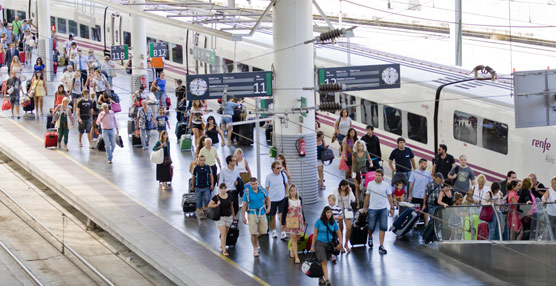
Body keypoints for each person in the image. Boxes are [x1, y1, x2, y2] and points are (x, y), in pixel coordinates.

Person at [362, 169, 394, 254]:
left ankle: (381, 245)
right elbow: (367, 197)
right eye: (376, 175)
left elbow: (389, 197)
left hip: (383, 208)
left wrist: (391, 208)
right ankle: (370, 237)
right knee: (371, 227)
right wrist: (364, 208)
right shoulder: (370, 184)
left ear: (382, 176)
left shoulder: (386, 185)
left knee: (383, 227)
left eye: (379, 175)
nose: (377, 177)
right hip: (372, 208)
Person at [310, 206, 343, 286]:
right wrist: (313, 246)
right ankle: (327, 280)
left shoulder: (333, 222)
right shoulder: (318, 222)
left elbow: (338, 232)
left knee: (325, 262)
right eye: (327, 212)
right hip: (319, 243)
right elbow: (315, 235)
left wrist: (341, 242)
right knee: (323, 261)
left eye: (330, 212)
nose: (329, 214)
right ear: (324, 213)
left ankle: (320, 277)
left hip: (329, 244)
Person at [242, 177, 270, 257]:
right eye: (253, 184)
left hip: (261, 211)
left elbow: (268, 198)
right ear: (250, 184)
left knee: (263, 231)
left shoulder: (261, 189)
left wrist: (268, 208)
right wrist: (243, 217)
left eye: (256, 184)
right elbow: (244, 205)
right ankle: (255, 248)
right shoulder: (247, 192)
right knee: (253, 232)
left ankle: (255, 239)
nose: (254, 185)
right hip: (252, 212)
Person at [208, 183, 235, 256]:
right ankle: (224, 250)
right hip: (220, 217)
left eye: (224, 188)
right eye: (222, 189)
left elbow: (231, 206)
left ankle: (222, 244)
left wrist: (233, 215)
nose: (223, 190)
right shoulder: (216, 197)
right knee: (223, 233)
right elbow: (209, 205)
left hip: (228, 217)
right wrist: (216, 205)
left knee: (225, 232)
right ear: (219, 189)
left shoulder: (229, 196)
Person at [265, 161, 289, 240]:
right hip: (272, 200)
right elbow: (266, 188)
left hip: (282, 199)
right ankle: (274, 231)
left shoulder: (283, 175)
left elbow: (286, 185)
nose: (279, 169)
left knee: (282, 215)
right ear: (273, 169)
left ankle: (283, 232)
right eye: (278, 168)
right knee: (272, 216)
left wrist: (286, 194)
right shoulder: (269, 177)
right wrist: (266, 199)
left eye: (280, 168)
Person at [281, 185, 305, 264]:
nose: (293, 192)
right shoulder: (287, 200)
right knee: (293, 238)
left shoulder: (299, 199)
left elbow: (302, 210)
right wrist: (283, 222)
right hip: (291, 220)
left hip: (299, 220)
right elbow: (284, 211)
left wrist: (304, 219)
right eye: (291, 191)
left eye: (294, 190)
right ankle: (296, 256)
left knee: (298, 237)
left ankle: (292, 249)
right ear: (289, 192)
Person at [332, 180, 356, 253]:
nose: (343, 188)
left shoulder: (349, 191)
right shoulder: (336, 191)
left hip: (347, 210)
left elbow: (353, 199)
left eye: (345, 187)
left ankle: (346, 244)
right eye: (342, 187)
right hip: (339, 211)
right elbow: (334, 201)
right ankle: (341, 245)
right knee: (340, 229)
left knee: (349, 228)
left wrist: (350, 190)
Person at [192, 155, 214, 219]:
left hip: (206, 187)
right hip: (198, 187)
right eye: (201, 160)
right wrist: (193, 185)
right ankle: (200, 210)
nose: (202, 162)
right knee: (198, 200)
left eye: (204, 160)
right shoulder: (196, 168)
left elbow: (211, 175)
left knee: (207, 198)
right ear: (198, 161)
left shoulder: (207, 167)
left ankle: (205, 208)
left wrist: (212, 184)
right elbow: (193, 177)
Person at [352, 140, 372, 206]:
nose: (360, 147)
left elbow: (369, 159)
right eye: (358, 146)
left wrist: (371, 163)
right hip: (356, 172)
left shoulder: (366, 153)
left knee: (363, 188)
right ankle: (358, 202)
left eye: (361, 146)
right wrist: (353, 174)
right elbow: (353, 164)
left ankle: (364, 202)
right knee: (357, 188)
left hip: (364, 172)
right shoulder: (354, 154)